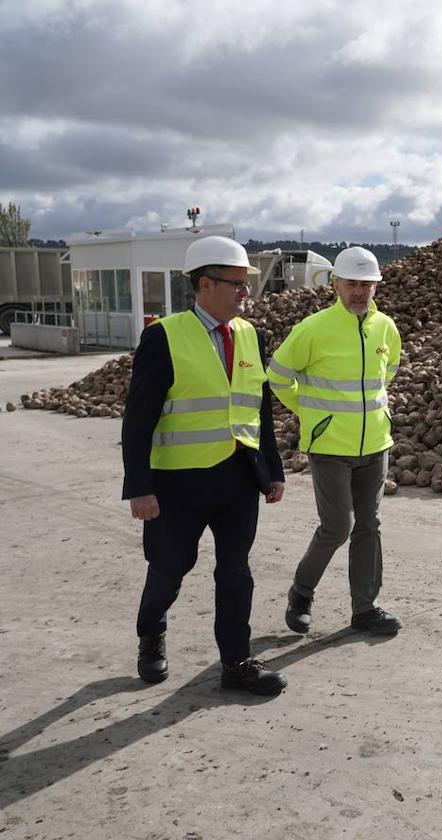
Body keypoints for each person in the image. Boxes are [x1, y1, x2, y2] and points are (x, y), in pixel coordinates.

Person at [122, 235, 288, 696]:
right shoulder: (164, 337)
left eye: (245, 284)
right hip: (178, 483)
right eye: (236, 284)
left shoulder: (251, 335)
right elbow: (138, 420)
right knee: (170, 568)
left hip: (238, 477)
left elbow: (259, 406)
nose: (245, 293)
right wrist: (139, 486)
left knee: (236, 570)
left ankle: (236, 663)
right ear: (204, 284)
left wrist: (272, 467)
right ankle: (151, 632)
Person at [267, 246, 403, 635]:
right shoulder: (312, 329)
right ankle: (301, 593)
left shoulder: (385, 328)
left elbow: (387, 371)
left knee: (369, 526)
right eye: (352, 284)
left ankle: (365, 608)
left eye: (367, 284)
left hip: (376, 443)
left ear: (376, 286)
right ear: (335, 285)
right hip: (329, 449)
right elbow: (277, 376)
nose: (359, 292)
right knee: (337, 527)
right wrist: (311, 412)